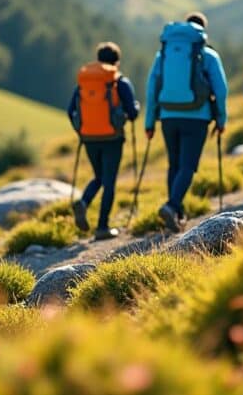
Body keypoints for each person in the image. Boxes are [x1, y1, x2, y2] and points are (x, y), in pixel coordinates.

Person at [144, 12, 228, 233]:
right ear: (202, 33)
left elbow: (152, 88)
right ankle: (172, 206)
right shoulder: (208, 56)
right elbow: (221, 90)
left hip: (168, 116)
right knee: (188, 166)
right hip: (197, 117)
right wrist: (221, 118)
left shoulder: (163, 55)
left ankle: (176, 211)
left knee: (174, 164)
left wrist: (150, 122)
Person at [68, 42, 141, 240]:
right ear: (116, 62)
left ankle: (84, 202)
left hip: (89, 138)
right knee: (109, 181)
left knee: (99, 176)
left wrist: (82, 131)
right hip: (112, 138)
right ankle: (102, 227)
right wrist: (135, 107)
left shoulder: (84, 82)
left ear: (99, 59)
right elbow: (132, 114)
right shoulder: (119, 82)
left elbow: (71, 111)